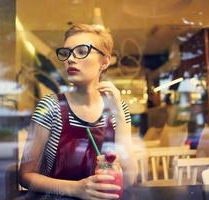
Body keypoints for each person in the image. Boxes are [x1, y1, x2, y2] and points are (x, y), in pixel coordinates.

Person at [19, 24, 137, 200]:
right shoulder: (50, 107)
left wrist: (119, 111)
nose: (70, 59)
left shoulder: (117, 108)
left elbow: (129, 178)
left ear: (104, 61)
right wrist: (76, 189)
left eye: (82, 51)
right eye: (66, 53)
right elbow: (25, 176)